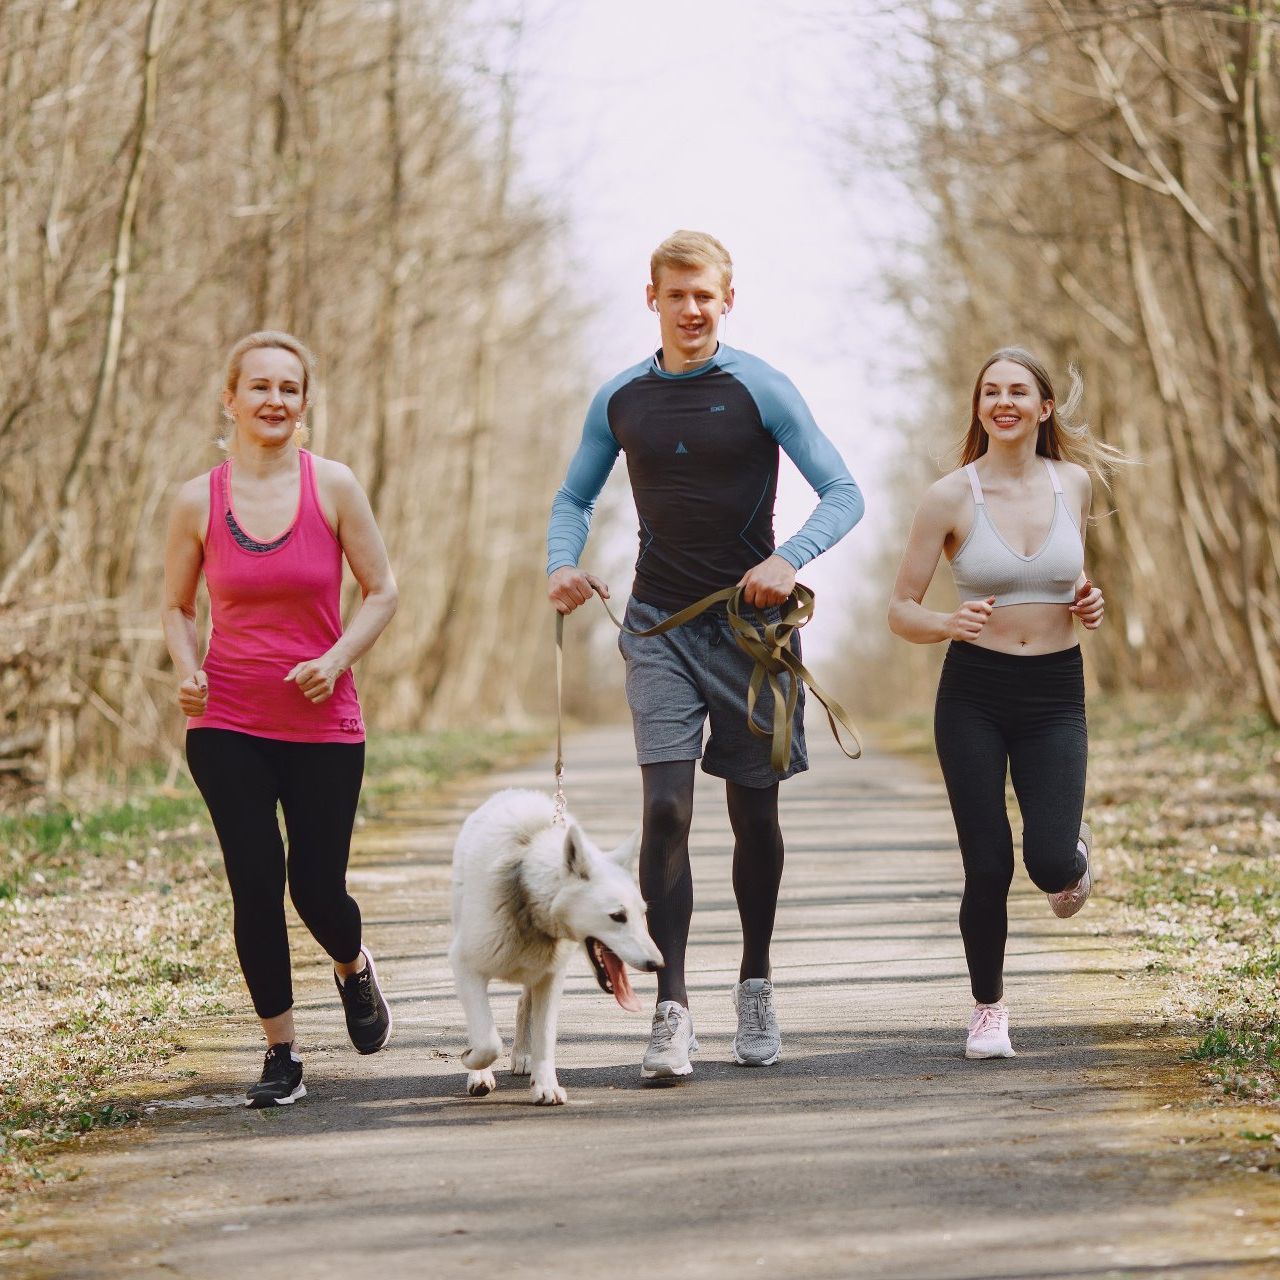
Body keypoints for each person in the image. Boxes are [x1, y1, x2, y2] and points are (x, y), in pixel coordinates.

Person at [546, 231, 864, 1080]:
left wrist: (788, 557)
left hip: (752, 639)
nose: (692, 309)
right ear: (651, 297)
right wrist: (561, 563)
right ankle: (672, 1009)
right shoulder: (620, 398)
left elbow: (845, 491)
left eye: (706, 296)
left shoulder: (760, 387)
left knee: (754, 816)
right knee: (667, 814)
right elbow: (574, 496)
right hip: (656, 629)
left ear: (728, 300)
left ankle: (755, 983)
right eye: (676, 294)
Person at [162, 330, 398, 1107]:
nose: (273, 400)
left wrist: (336, 660)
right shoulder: (198, 499)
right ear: (229, 399)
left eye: (288, 389)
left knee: (316, 889)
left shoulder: (332, 486)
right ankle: (281, 1053)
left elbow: (383, 591)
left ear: (304, 404)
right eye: (258, 386)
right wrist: (187, 668)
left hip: (323, 721)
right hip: (226, 718)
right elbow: (174, 606)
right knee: (255, 883)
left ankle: (353, 965)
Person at [888, 346, 1114, 1059]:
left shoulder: (1073, 483)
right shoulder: (950, 496)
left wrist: (1090, 601)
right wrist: (946, 623)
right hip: (974, 694)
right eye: (991, 392)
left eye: (1019, 391)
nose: (1004, 402)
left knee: (1048, 866)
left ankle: (1073, 853)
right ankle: (989, 1009)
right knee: (987, 864)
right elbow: (900, 608)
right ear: (980, 407)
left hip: (1054, 692)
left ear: (1044, 408)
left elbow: (1076, 580)